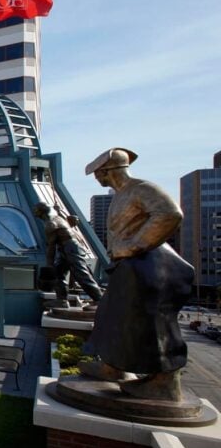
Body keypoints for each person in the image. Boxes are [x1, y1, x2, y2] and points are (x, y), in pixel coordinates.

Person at [80, 148, 194, 401]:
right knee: (113, 315)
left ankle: (165, 384)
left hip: (151, 264)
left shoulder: (141, 188)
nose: (98, 179)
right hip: (130, 265)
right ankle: (113, 366)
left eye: (99, 174)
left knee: (153, 323)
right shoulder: (121, 195)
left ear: (108, 171)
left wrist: (135, 245)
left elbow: (170, 213)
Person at [33, 202, 102, 304]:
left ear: (41, 214)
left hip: (71, 248)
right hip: (66, 248)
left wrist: (49, 266)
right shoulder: (57, 217)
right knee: (58, 273)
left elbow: (51, 248)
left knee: (81, 275)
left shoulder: (50, 224)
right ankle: (62, 300)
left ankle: (100, 300)